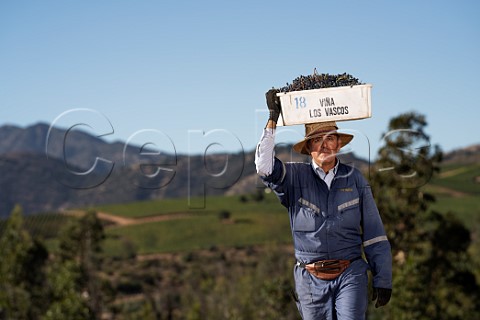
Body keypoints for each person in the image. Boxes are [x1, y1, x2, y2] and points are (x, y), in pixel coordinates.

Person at [255, 89, 392, 320]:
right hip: (309, 281)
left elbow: (374, 233)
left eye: (330, 138)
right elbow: (264, 167)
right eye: (317, 140)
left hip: (351, 273)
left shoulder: (355, 178)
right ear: (309, 148)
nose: (324, 145)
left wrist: (383, 278)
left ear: (338, 143)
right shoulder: (294, 177)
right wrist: (272, 118)